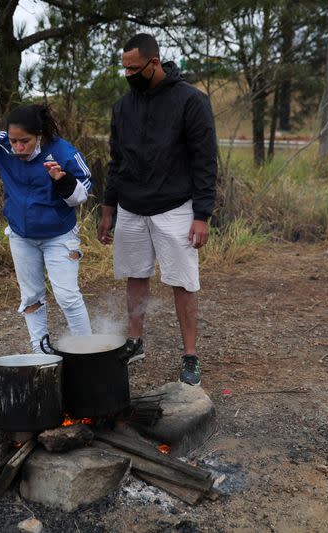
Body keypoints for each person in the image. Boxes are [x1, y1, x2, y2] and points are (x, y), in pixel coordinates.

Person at [98, 33, 217, 385]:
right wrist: (109, 209)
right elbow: (116, 161)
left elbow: (205, 160)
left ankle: (190, 356)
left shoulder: (190, 101)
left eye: (134, 68)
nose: (128, 75)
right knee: (136, 274)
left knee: (183, 281)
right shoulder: (123, 107)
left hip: (175, 207)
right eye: (124, 69)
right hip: (132, 207)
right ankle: (135, 342)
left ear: (154, 63)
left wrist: (202, 214)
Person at [0, 104, 93, 353]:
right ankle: (40, 352)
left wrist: (62, 181)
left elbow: (82, 196)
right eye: (14, 141)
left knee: (67, 296)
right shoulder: (2, 145)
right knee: (31, 297)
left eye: (25, 141)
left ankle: (87, 352)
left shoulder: (64, 153)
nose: (18, 148)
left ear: (39, 135)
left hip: (59, 236)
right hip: (21, 235)